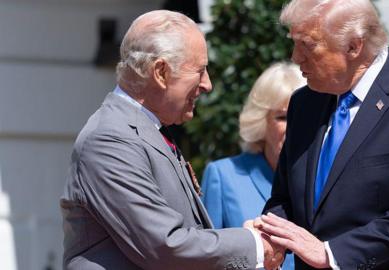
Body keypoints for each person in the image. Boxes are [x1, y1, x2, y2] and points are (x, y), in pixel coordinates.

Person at [253, 0, 389, 269]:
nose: (296, 57)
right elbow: (286, 197)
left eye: (307, 45)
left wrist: (332, 254)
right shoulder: (304, 103)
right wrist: (269, 234)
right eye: (294, 43)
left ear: (354, 46)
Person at [60, 10, 283, 270]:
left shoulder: (147, 130)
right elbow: (165, 246)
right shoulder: (109, 140)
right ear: (160, 72)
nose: (207, 84)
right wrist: (253, 244)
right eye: (199, 71)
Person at [201, 62, 305, 270]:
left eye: (302, 117)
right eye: (283, 117)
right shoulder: (223, 176)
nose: (293, 126)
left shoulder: (324, 179)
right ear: (261, 120)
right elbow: (205, 260)